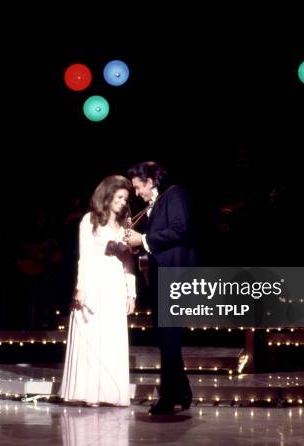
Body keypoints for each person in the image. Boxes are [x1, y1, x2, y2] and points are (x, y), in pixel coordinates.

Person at [124, 161, 196, 415]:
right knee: (166, 337)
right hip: (162, 278)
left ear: (150, 181)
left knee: (168, 337)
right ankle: (183, 389)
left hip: (175, 278)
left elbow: (180, 230)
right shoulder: (154, 205)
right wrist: (139, 244)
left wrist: (143, 239)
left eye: (137, 187)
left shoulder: (174, 194)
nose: (136, 193)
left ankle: (169, 397)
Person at [59, 175, 136, 407]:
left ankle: (111, 393)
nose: (123, 201)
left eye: (126, 198)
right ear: (108, 194)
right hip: (94, 283)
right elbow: (84, 258)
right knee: (93, 337)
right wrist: (80, 289)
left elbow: (128, 262)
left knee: (112, 338)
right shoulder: (89, 221)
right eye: (119, 196)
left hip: (114, 286)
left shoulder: (126, 224)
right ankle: (91, 393)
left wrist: (131, 293)